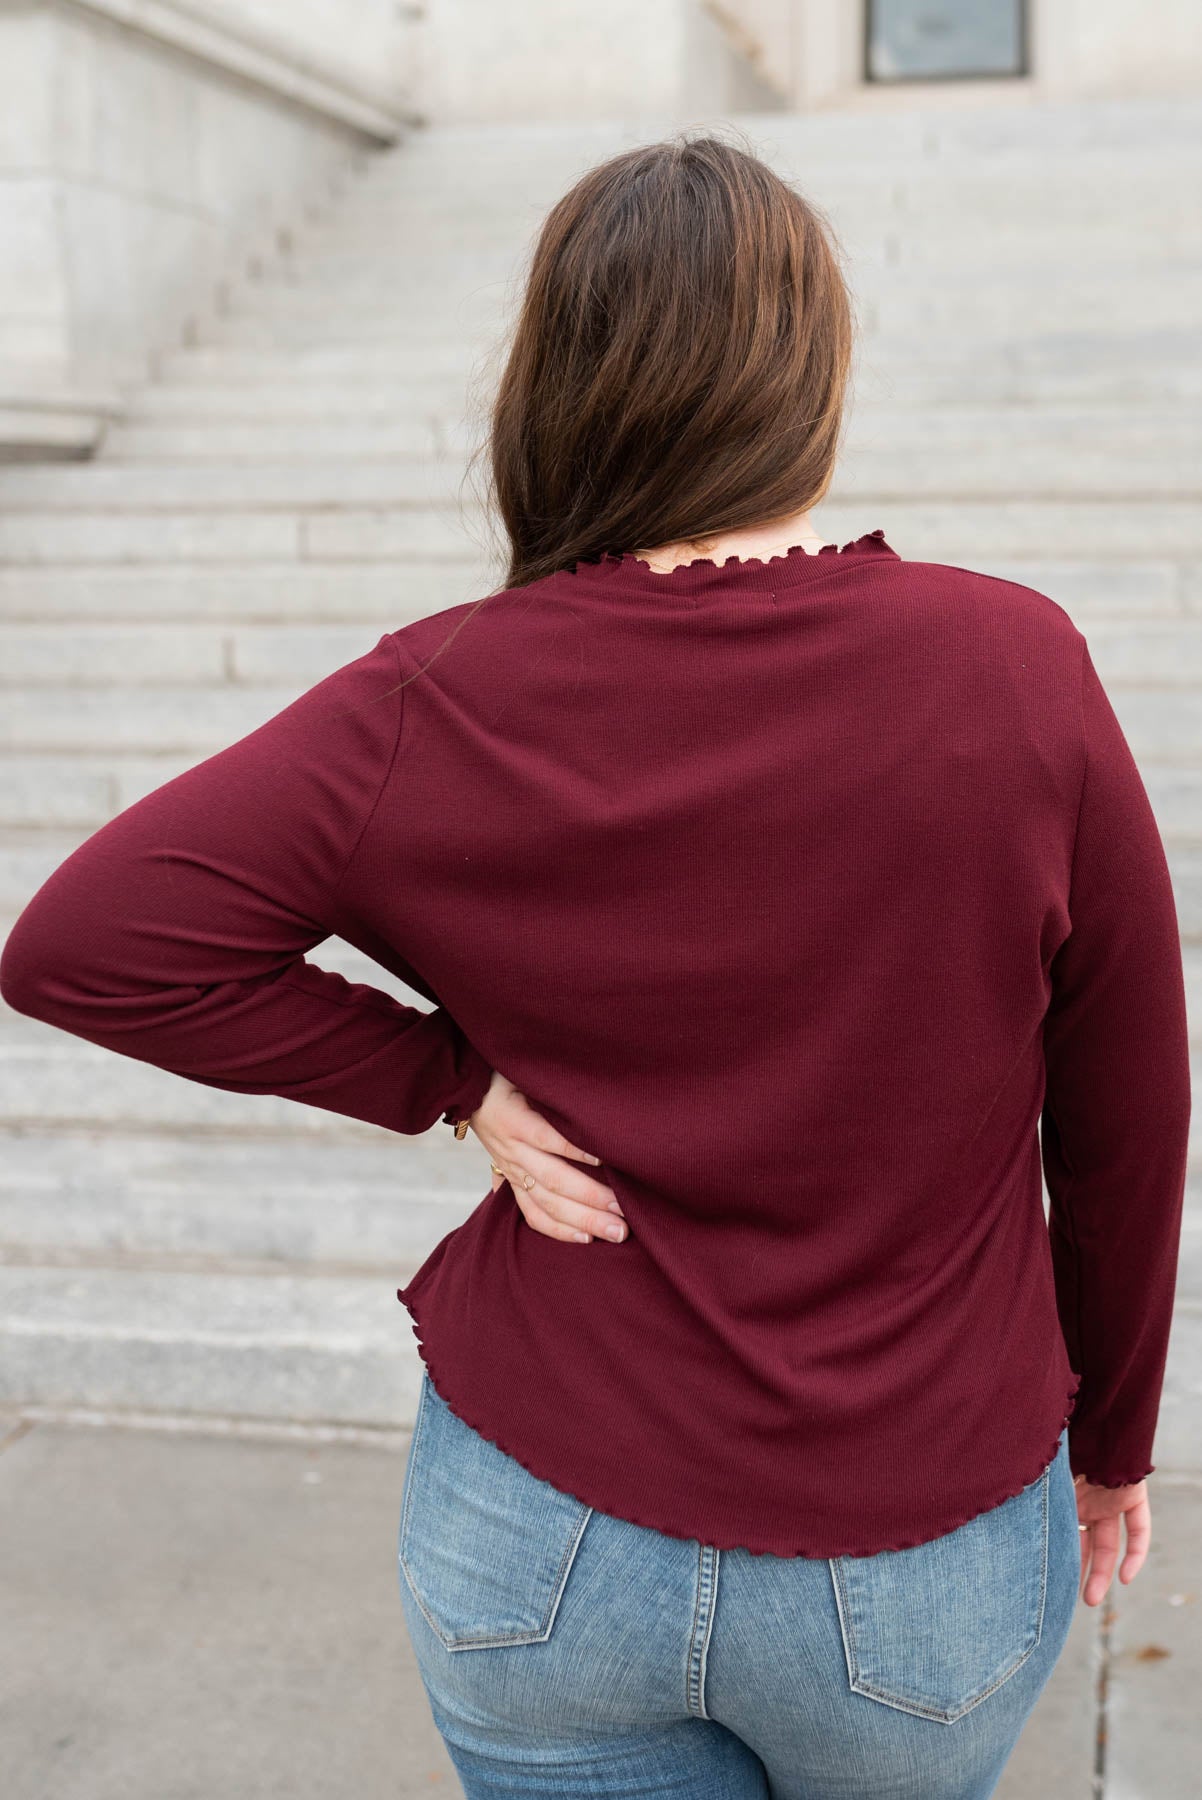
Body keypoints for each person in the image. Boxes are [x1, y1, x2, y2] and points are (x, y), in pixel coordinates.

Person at [0, 131, 1190, 1798]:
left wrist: (448, 1085)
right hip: (911, 1552)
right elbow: (1128, 1107)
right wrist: (1114, 1440)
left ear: (555, 385)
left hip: (540, 1534)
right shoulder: (1009, 665)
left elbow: (87, 942)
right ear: (811, 372)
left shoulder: (439, 698)